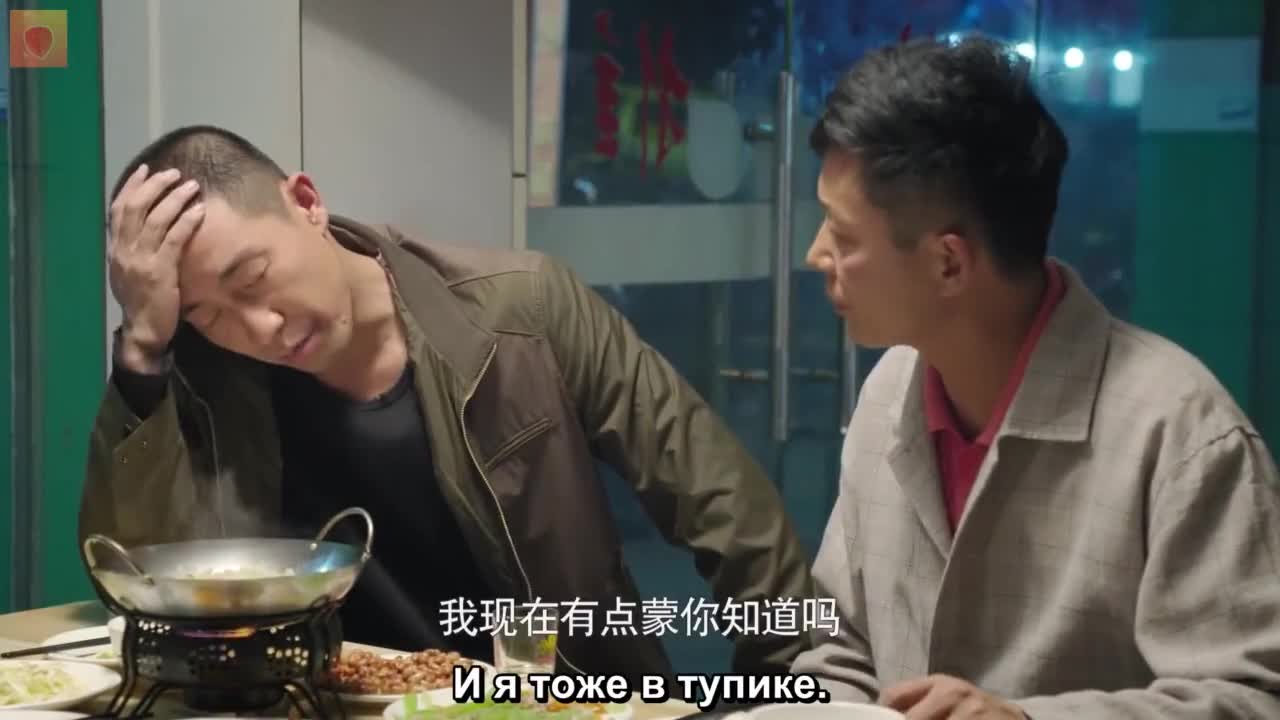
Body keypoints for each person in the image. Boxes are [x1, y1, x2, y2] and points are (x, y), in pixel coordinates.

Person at [80, 124, 813, 683]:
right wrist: (143, 348)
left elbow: (723, 506)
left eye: (253, 278)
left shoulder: (523, 310)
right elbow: (132, 575)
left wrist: (787, 687)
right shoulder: (203, 379)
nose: (260, 328)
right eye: (209, 314)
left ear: (305, 202)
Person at [790, 36, 1280, 719]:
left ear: (948, 263)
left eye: (843, 236)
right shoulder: (889, 390)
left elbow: (1252, 698)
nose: (815, 255)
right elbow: (839, 650)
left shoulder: (1180, 435)